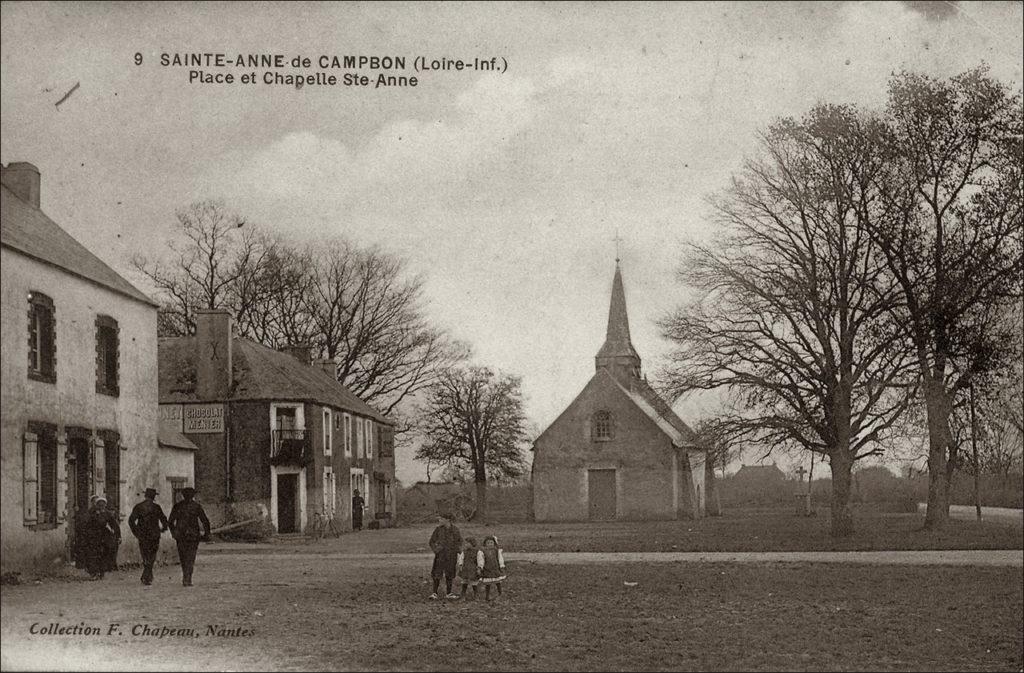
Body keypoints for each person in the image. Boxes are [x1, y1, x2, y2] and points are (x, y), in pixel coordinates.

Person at [167, 487, 211, 587]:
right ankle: (188, 578)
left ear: (183, 495)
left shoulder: (177, 506)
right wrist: (206, 534)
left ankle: (186, 576)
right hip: (193, 536)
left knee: (183, 557)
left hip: (181, 536)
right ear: (193, 496)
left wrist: (174, 533)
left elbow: (170, 522)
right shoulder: (196, 506)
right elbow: (205, 521)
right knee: (191, 557)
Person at [128, 488, 169, 585]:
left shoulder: (138, 507)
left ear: (145, 495)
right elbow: (163, 519)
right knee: (152, 555)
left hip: (142, 535)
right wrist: (163, 528)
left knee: (145, 554)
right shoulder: (157, 507)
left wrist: (136, 532)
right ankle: (147, 576)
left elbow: (131, 521)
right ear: (154, 497)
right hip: (154, 534)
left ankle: (146, 576)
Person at [82, 495, 120, 580]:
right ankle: (94, 573)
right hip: (94, 537)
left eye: (103, 505)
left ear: (105, 505)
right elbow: (87, 524)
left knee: (104, 554)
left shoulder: (108, 514)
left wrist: (117, 535)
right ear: (97, 505)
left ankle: (102, 572)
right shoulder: (92, 514)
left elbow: (114, 524)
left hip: (104, 537)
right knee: (94, 555)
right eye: (99, 505)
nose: (101, 506)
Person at [428, 512, 462, 600]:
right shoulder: (438, 530)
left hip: (451, 555)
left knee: (450, 573)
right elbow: (431, 541)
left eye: (441, 519)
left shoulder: (455, 530)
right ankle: (434, 593)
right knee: (437, 573)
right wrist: (436, 550)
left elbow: (459, 541)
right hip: (441, 555)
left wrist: (457, 550)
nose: (440, 520)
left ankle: (449, 593)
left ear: (448, 520)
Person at [480, 535, 507, 601]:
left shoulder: (496, 551)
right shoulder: (483, 552)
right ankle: (487, 596)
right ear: (485, 544)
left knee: (498, 581)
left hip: (495, 568)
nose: (490, 544)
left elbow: (500, 559)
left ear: (494, 544)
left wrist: (501, 566)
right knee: (488, 583)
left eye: (491, 543)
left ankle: (500, 593)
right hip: (487, 569)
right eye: (488, 543)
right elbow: (481, 560)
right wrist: (480, 567)